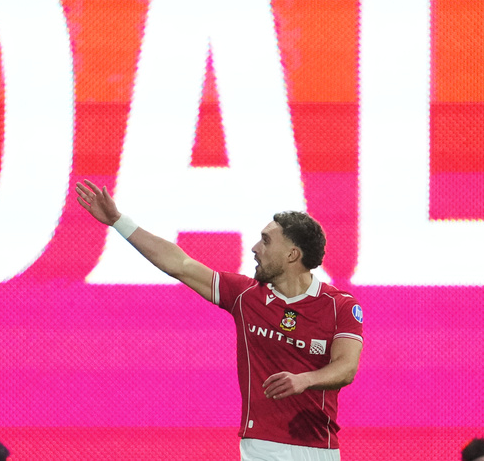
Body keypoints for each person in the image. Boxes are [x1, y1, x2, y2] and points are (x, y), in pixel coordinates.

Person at [76, 180, 363, 460]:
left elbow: (346, 368)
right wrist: (118, 221)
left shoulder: (340, 306)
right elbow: (180, 265)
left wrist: (305, 380)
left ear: (292, 254)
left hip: (319, 447)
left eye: (265, 241)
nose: (254, 248)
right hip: (261, 446)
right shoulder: (245, 295)